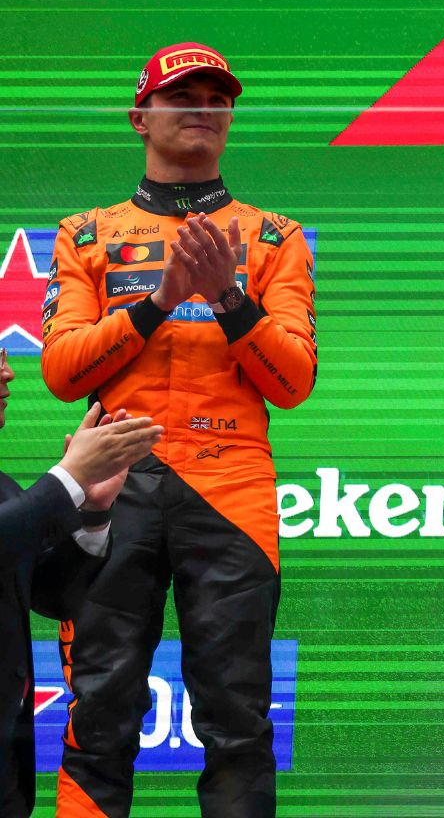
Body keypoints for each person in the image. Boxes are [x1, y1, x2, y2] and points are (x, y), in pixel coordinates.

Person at [40, 43, 316, 818]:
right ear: (141, 117)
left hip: (232, 490)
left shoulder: (273, 238)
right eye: (180, 95)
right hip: (109, 487)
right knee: (97, 713)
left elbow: (293, 381)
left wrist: (229, 297)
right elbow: (61, 371)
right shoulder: (86, 234)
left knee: (237, 721)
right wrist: (158, 300)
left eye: (217, 98)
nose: (202, 109)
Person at [0, 348, 159, 816]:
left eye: (6, 356)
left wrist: (93, 512)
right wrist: (68, 478)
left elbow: (52, 595)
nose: (8, 372)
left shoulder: (5, 489)